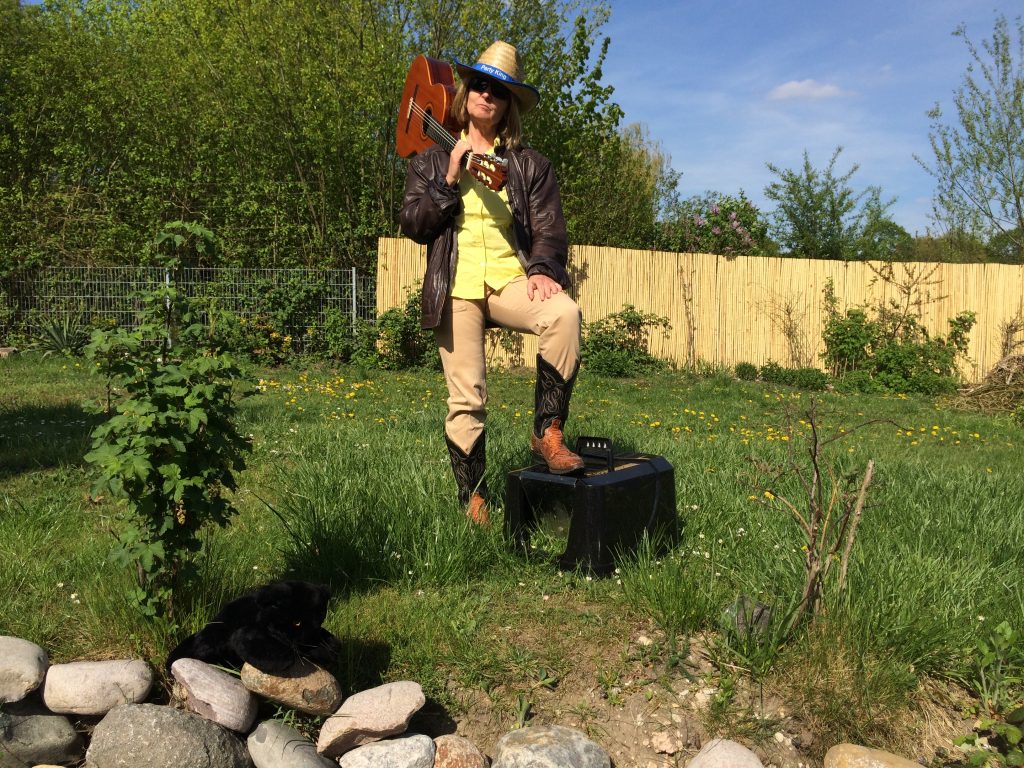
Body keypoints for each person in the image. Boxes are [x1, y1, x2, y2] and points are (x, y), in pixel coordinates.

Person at [399, 40, 584, 525]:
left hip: (508, 279)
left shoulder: (531, 165)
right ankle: (474, 498)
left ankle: (548, 432)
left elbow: (548, 230)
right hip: (455, 286)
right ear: (465, 92)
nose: (486, 95)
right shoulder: (431, 158)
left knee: (564, 313)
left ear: (508, 106)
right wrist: (448, 176)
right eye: (478, 84)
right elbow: (415, 225)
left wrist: (544, 270)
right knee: (467, 396)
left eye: (498, 91)